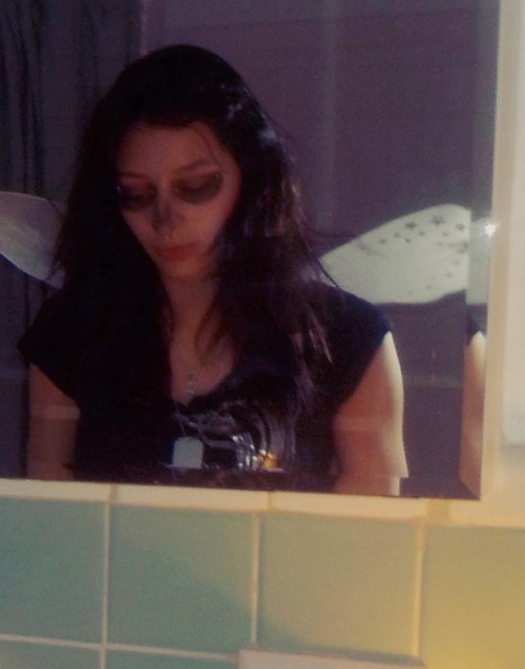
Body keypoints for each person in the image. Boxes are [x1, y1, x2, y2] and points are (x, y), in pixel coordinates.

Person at [20, 44, 406, 493]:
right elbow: (46, 526)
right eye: (135, 193)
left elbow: (376, 543)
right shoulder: (72, 334)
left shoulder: (348, 341)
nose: (165, 219)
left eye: (196, 186)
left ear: (252, 179)